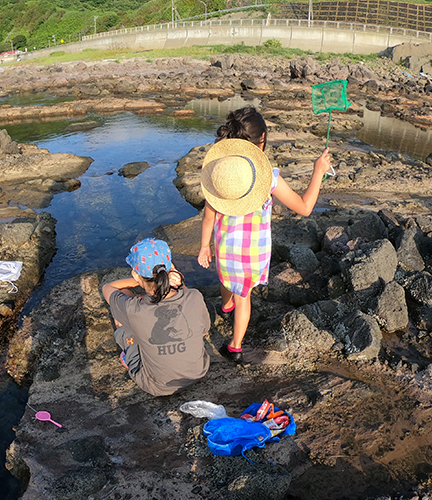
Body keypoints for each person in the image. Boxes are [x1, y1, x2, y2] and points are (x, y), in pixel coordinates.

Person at [197, 107, 333, 363]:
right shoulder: (269, 178)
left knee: (226, 278)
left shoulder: (220, 175)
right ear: (261, 141)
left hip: (226, 251)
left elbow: (208, 217)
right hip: (253, 254)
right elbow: (304, 207)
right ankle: (235, 346)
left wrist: (205, 246)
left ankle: (226, 306)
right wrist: (318, 171)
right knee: (244, 298)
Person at [102, 238, 210, 396]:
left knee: (124, 314)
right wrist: (179, 284)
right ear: (170, 268)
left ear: (135, 274)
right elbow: (204, 331)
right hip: (198, 373)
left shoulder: (133, 310)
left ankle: (130, 356)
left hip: (158, 386)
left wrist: (137, 282)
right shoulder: (194, 296)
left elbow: (108, 288)